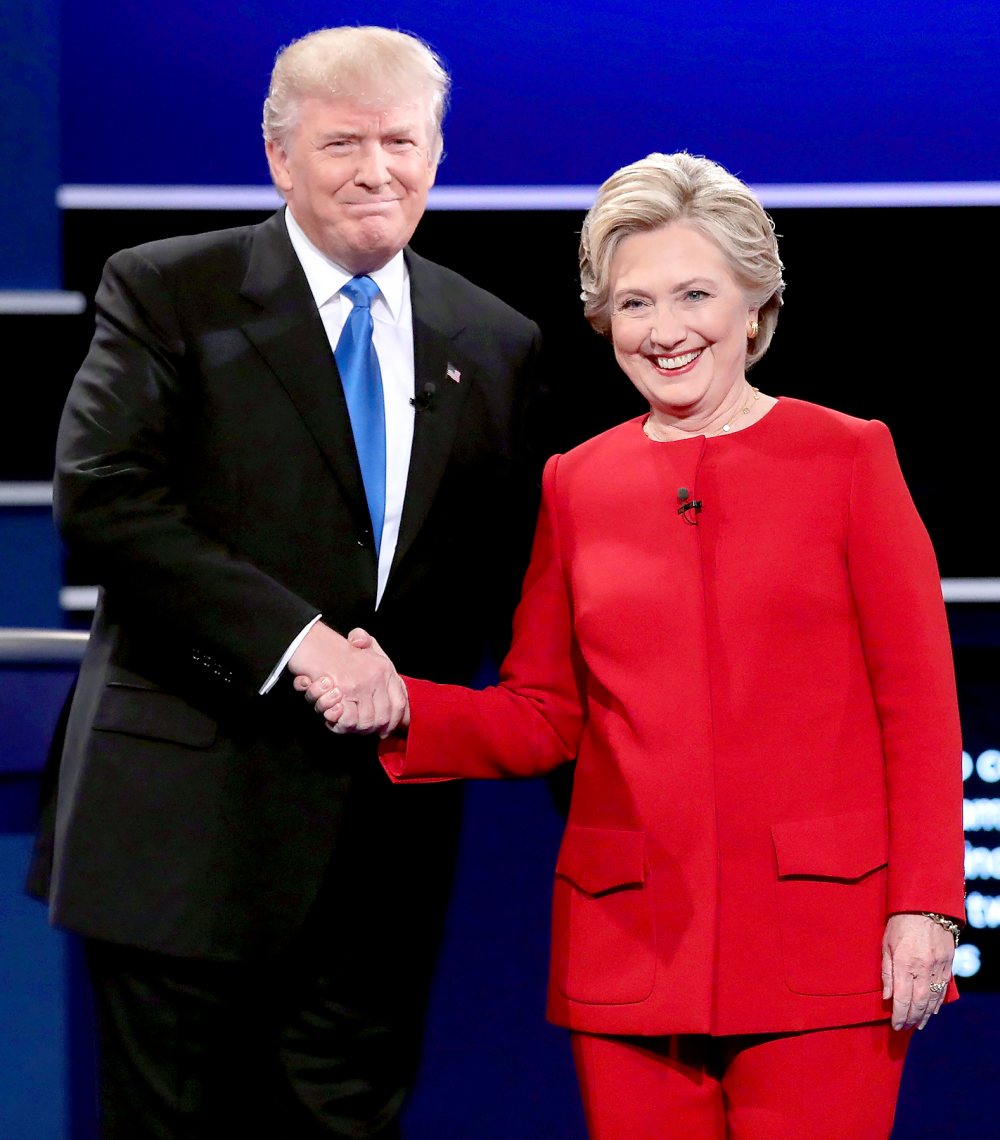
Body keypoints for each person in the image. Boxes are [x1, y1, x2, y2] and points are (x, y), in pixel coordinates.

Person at [298, 152, 967, 1138]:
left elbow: (918, 706)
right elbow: (543, 713)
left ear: (756, 304)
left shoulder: (847, 456)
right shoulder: (578, 482)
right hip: (632, 945)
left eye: (694, 294)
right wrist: (407, 705)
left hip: (822, 940)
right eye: (633, 303)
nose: (664, 331)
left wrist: (926, 904)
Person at [27, 25, 544, 1138]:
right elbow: (105, 497)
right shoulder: (170, 290)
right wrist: (297, 642)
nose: (376, 170)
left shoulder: (494, 340)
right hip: (182, 823)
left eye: (401, 141)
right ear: (278, 157)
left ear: (437, 153)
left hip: (382, 839)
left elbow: (510, 579)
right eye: (341, 142)